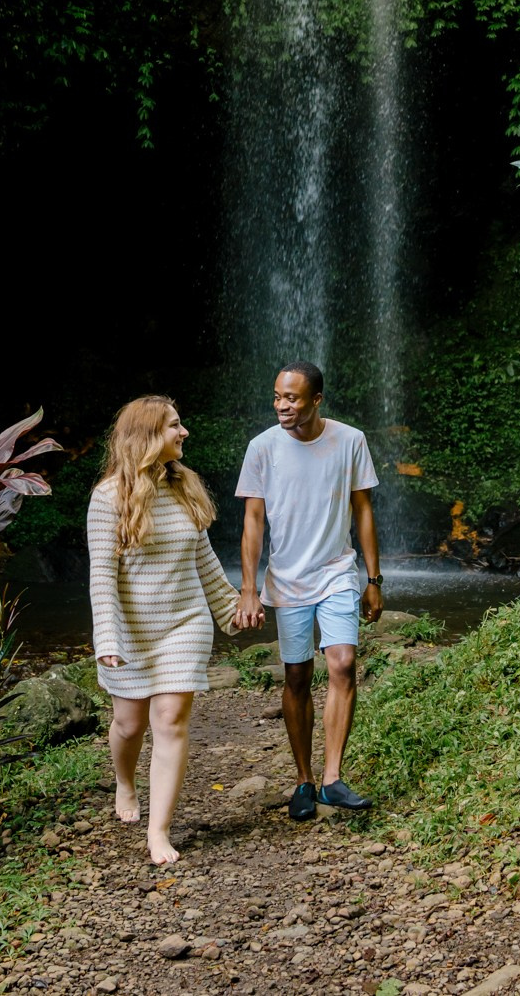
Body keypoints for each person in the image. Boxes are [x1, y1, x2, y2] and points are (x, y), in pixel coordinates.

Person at [88, 395, 239, 865]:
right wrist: (107, 640)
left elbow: (205, 563)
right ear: (149, 436)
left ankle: (159, 831)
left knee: (170, 720)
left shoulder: (186, 488)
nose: (184, 432)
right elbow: (102, 578)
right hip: (131, 630)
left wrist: (232, 610)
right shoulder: (108, 497)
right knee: (129, 725)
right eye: (175, 425)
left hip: (183, 623)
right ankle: (125, 781)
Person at [231, 361, 382, 820]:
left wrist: (373, 580)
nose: (282, 406)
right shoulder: (262, 448)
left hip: (337, 571)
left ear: (316, 400)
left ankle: (333, 779)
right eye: (277, 396)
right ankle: (304, 780)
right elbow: (253, 521)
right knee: (297, 676)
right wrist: (249, 589)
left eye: (292, 398)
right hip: (288, 579)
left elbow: (363, 511)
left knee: (342, 663)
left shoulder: (350, 440)